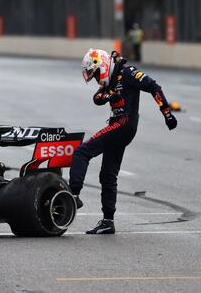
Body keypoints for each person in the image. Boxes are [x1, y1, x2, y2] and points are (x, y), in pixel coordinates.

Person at [70, 49, 177, 234]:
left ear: (101, 65)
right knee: (108, 174)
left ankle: (72, 196)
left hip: (124, 124)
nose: (96, 79)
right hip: (119, 126)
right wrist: (110, 96)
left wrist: (166, 113)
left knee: (82, 152)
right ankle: (108, 221)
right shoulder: (111, 76)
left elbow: (153, 86)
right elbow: (97, 98)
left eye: (95, 74)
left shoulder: (127, 72)